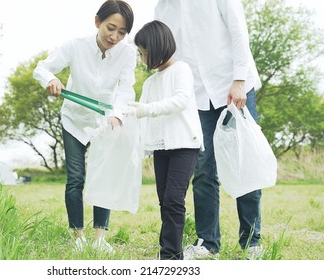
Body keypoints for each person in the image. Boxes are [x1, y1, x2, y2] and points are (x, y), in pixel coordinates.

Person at [154, 0, 264, 259]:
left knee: (242, 163)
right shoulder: (162, 8)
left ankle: (251, 241)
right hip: (197, 96)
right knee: (203, 169)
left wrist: (239, 80)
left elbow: (239, 31)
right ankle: (208, 242)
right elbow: (166, 55)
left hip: (234, 86)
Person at [33, 0, 136, 254]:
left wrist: (118, 115)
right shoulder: (75, 46)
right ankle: (78, 237)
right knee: (76, 178)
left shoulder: (127, 53)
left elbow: (125, 89)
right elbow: (42, 68)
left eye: (122, 32)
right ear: (97, 22)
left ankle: (100, 238)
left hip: (105, 121)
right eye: (111, 28)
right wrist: (52, 79)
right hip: (75, 120)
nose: (115, 36)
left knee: (103, 176)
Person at [129, 20, 203, 260]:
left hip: (184, 145)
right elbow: (142, 114)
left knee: (173, 199)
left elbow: (180, 101)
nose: (142, 59)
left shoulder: (181, 69)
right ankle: (169, 250)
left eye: (144, 53)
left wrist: (146, 109)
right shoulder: (150, 82)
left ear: (157, 48)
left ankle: (171, 257)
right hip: (161, 148)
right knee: (165, 201)